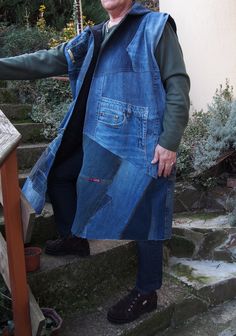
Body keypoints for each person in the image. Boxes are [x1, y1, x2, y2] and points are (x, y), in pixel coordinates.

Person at [0, 0, 190, 324]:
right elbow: (44, 61)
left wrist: (169, 142)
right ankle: (75, 236)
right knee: (59, 173)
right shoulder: (91, 37)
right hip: (99, 138)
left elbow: (178, 85)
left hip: (141, 141)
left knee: (147, 214)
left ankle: (147, 292)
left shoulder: (155, 27)